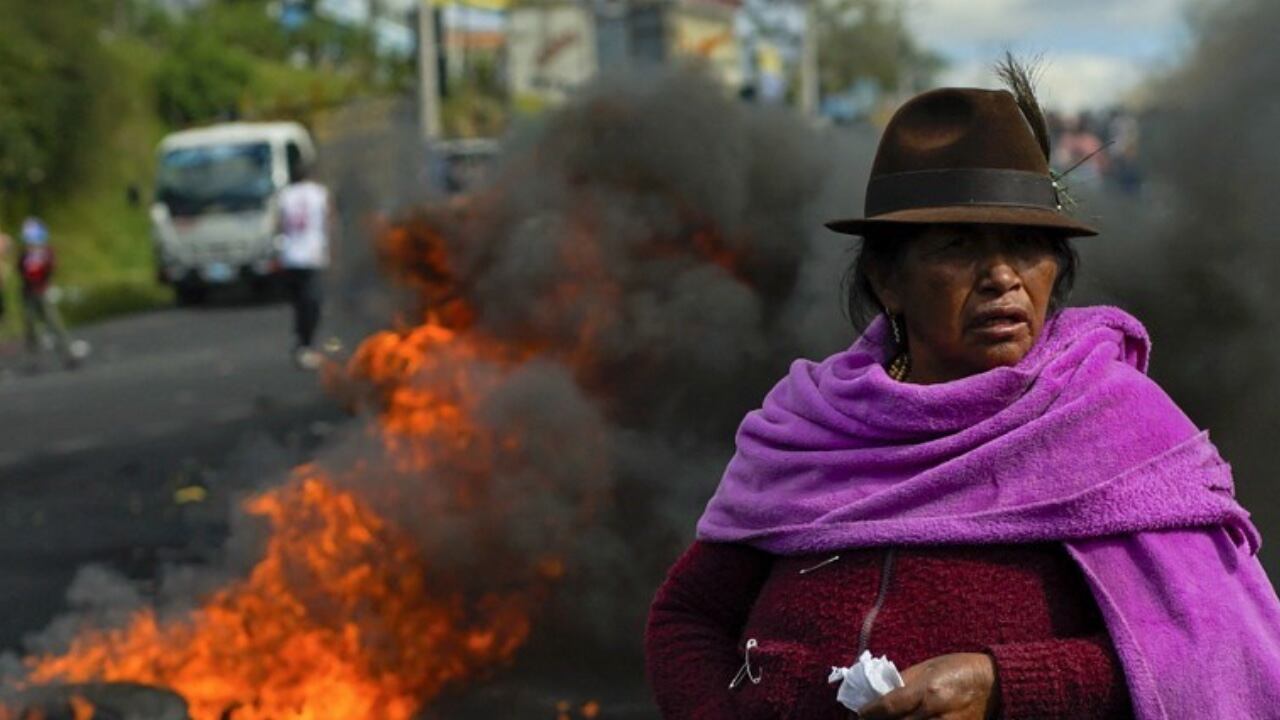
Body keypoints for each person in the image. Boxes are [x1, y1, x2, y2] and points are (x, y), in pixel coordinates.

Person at [645, 68, 1280, 719]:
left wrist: (1002, 683)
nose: (1002, 276)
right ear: (887, 279)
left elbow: (1221, 651)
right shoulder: (811, 425)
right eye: (957, 246)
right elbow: (687, 616)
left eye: (1027, 246)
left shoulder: (1122, 432)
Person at [277, 154, 332, 370]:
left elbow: (279, 224)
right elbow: (329, 222)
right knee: (313, 303)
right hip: (312, 255)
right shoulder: (319, 193)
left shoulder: (285, 195)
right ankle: (305, 345)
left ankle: (301, 342)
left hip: (291, 255)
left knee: (300, 303)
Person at [16, 218, 81, 368]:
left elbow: (51, 268)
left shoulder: (45, 253)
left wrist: (44, 280)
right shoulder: (25, 255)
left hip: (42, 291)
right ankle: (33, 359)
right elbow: (20, 270)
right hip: (28, 292)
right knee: (30, 326)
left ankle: (67, 354)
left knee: (54, 323)